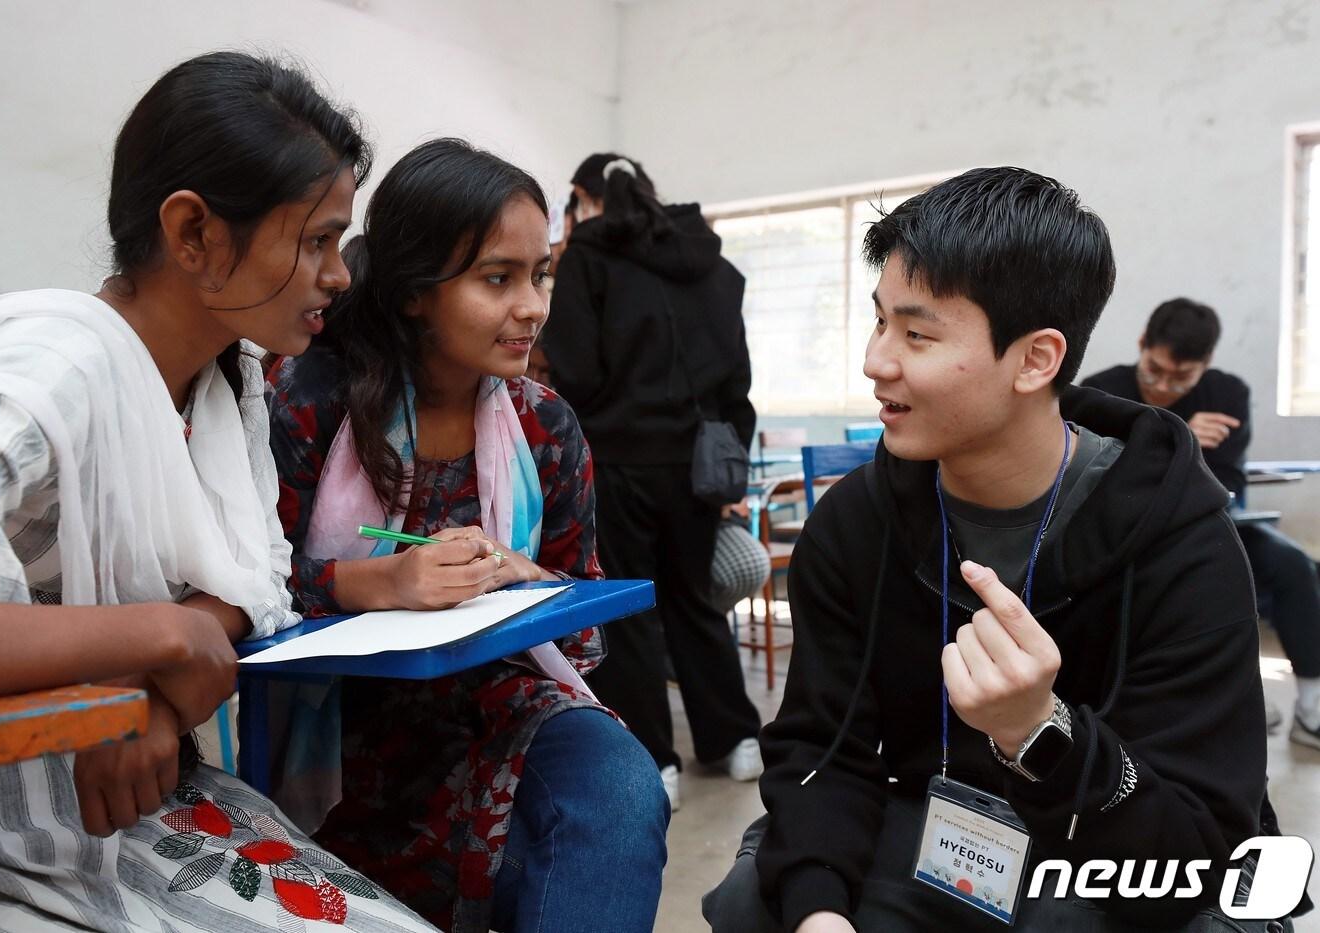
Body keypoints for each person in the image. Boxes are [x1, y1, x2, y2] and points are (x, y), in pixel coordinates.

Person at [0, 52, 440, 931]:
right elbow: (193, 619)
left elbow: (256, 573)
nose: (340, 274)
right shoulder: (51, 369)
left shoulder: (225, 382)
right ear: (194, 234)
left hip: (125, 793)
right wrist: (156, 634)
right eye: (316, 240)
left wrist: (153, 692)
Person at [702, 168, 1280, 932]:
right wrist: (820, 914)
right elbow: (822, 749)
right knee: (760, 894)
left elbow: (1197, 851)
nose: (878, 361)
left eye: (917, 334)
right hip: (940, 829)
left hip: (1118, 847)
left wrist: (1040, 731)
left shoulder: (1181, 539)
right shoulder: (856, 524)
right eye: (880, 323)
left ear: (1036, 359)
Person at [266, 138, 668, 933]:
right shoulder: (311, 401)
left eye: (540, 273)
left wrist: (532, 582)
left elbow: (581, 631)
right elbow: (240, 592)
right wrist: (379, 582)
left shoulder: (543, 422)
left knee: (621, 785)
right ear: (416, 289)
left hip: (498, 701)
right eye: (498, 278)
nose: (533, 306)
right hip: (344, 722)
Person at [544, 151, 763, 811]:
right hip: (696, 467)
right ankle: (737, 739)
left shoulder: (587, 258)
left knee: (632, 610)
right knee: (696, 600)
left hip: (618, 460)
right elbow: (737, 384)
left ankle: (654, 756)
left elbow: (574, 368)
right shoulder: (713, 265)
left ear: (584, 199)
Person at [1083, 297, 1320, 748]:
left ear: (1205, 365)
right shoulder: (1101, 393)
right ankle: (1221, 700)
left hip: (1214, 525)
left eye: (1182, 377)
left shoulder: (1227, 392)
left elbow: (1227, 479)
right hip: (1126, 536)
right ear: (1142, 345)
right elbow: (1099, 479)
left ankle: (1311, 708)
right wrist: (1182, 435)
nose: (1164, 386)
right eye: (1154, 370)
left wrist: (1158, 454)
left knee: (1290, 565)